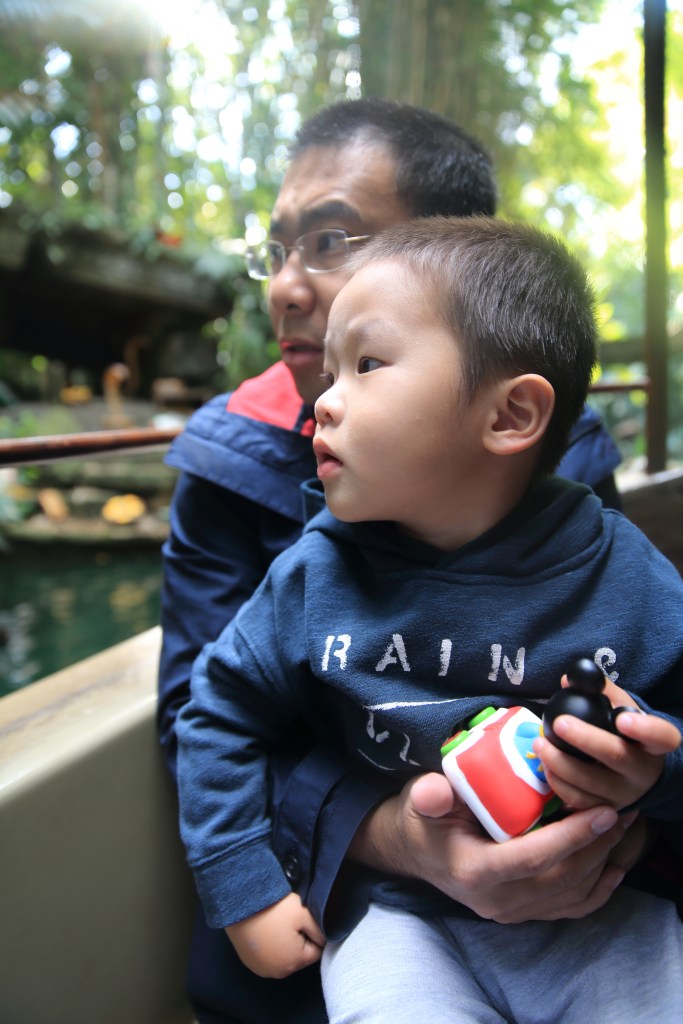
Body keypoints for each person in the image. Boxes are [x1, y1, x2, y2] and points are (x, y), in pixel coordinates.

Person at [158, 99, 634, 1023]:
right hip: (331, 902)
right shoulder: (231, 460)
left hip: (576, 903)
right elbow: (201, 716)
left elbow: (638, 686)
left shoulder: (565, 465)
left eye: (329, 241)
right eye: (277, 249)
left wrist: (628, 804)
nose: (284, 288)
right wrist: (397, 839)